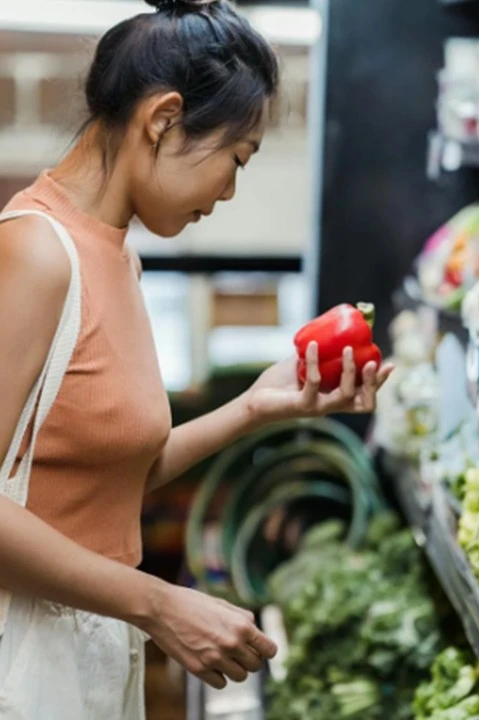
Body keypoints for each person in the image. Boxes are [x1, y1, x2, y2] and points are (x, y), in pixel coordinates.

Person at [0, 1, 394, 716]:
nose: (230, 191)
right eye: (234, 160)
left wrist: (255, 408)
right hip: (25, 647)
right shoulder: (35, 251)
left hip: (90, 638)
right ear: (162, 119)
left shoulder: (116, 256)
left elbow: (112, 475)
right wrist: (158, 604)